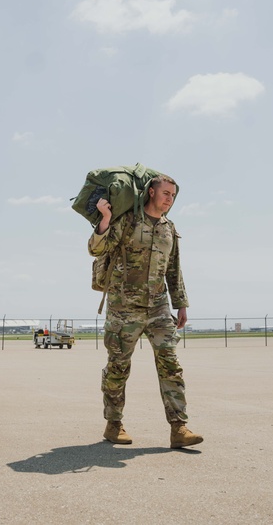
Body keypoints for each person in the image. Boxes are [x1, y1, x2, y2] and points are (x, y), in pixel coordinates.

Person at [88, 175, 203, 449]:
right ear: (151, 192)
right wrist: (105, 218)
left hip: (159, 306)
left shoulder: (169, 229)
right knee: (118, 367)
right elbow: (95, 248)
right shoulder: (127, 222)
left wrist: (181, 303)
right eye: (165, 193)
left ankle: (179, 428)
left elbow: (173, 269)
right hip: (123, 306)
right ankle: (113, 424)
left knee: (171, 365)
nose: (169, 199)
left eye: (173, 195)